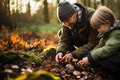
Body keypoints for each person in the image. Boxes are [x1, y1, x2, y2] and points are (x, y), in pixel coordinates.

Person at [78, 6, 120, 75]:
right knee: (97, 58)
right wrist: (89, 55)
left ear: (107, 23)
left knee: (102, 59)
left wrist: (91, 58)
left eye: (98, 28)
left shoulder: (116, 33)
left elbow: (108, 49)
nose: (98, 31)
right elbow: (99, 46)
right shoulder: (105, 33)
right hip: (114, 56)